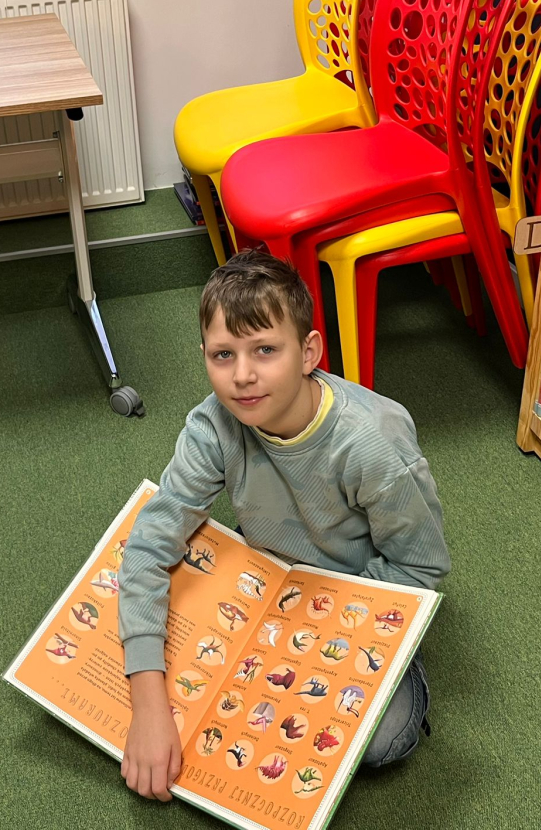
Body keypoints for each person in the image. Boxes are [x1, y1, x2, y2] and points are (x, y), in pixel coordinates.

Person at [118, 250, 450, 800]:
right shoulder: (213, 424)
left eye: (266, 350)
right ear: (204, 356)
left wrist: (326, 625)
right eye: (223, 355)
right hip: (265, 596)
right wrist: (149, 706)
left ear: (308, 352)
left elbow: (422, 567)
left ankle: (406, 677)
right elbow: (149, 545)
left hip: (356, 601)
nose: (242, 375)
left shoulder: (373, 443)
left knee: (383, 740)